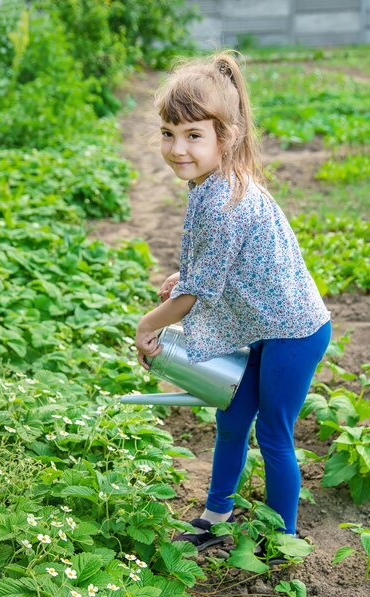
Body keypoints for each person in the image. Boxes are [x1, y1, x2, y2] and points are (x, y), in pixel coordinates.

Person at [134, 51, 331, 552]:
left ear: (227, 136)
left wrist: (147, 325)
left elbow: (198, 292)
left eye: (193, 135)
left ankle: (283, 538)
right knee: (231, 417)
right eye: (168, 133)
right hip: (262, 322)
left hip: (294, 330)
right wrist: (186, 274)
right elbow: (218, 264)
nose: (177, 148)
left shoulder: (223, 201)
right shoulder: (213, 183)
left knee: (274, 432)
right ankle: (216, 513)